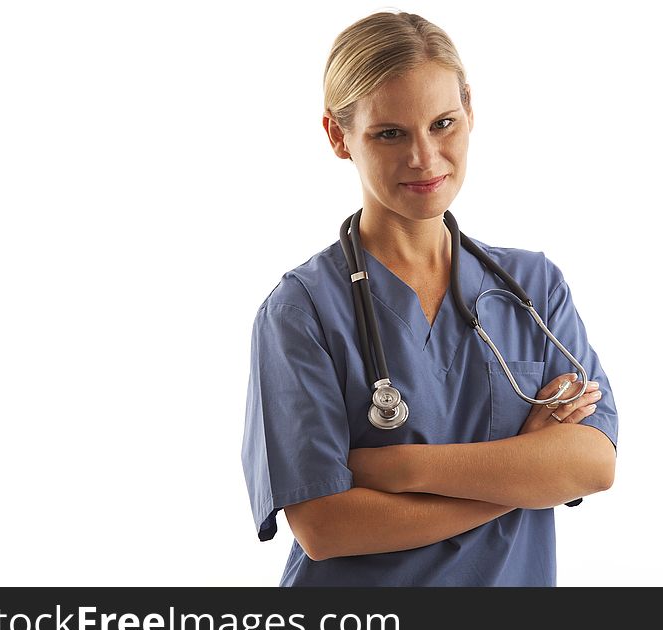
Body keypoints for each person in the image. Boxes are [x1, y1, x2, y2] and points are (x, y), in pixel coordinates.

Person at [240, 10, 618, 586]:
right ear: (338, 137)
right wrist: (523, 479)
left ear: (470, 110)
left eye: (443, 123)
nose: (423, 156)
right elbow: (325, 527)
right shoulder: (303, 311)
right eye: (389, 133)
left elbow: (592, 463)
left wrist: (399, 467)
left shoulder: (533, 289)